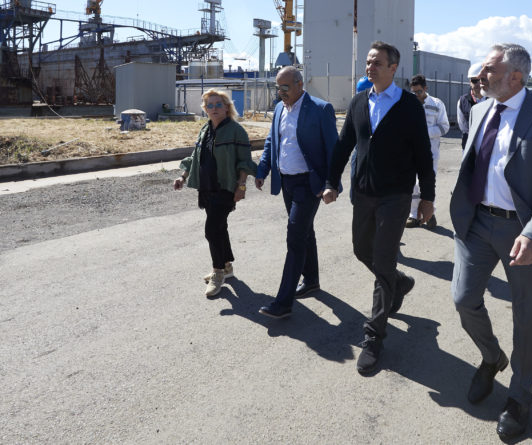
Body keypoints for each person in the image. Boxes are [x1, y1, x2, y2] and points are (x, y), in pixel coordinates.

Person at [450, 43, 532, 440]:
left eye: (489, 69)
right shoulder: (479, 109)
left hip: (521, 230)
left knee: (526, 316)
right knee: (463, 299)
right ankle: (492, 357)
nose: (480, 75)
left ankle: (521, 396)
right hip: (476, 223)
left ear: (515, 77)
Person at [322, 41, 434, 375]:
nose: (370, 67)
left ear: (393, 68)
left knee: (383, 259)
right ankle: (398, 281)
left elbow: (423, 154)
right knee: (361, 250)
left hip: (395, 196)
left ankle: (374, 337)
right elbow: (344, 145)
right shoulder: (359, 101)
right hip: (364, 192)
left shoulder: (408, 105)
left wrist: (427, 198)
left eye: (377, 63)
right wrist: (331, 181)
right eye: (368, 62)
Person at [254, 66, 339, 318]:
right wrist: (263, 169)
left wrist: (331, 184)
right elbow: (272, 141)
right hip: (286, 182)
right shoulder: (279, 109)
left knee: (294, 238)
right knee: (305, 231)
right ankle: (311, 280)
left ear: (300, 84)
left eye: (285, 87)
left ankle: (283, 302)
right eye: (277, 87)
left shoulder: (320, 109)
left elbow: (334, 150)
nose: (280, 92)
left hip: (308, 183)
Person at [174, 89, 258, 297]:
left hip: (225, 188)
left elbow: (244, 161)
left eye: (218, 104)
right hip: (206, 187)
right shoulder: (205, 129)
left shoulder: (236, 130)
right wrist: (183, 177)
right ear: (205, 109)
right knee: (220, 228)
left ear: (227, 107)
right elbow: (195, 156)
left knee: (211, 230)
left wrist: (241, 186)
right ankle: (227, 266)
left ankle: (217, 272)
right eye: (209, 105)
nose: (214, 108)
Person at [406, 74, 449, 229]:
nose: (416, 95)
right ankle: (413, 215)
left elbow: (444, 127)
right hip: (411, 152)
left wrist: (425, 133)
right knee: (412, 184)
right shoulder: (408, 103)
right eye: (413, 92)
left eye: (419, 92)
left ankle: (430, 215)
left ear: (425, 88)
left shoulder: (437, 104)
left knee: (427, 183)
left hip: (430, 153)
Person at [457, 65, 486, 150]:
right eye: (474, 80)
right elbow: (463, 126)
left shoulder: (493, 99)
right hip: (469, 145)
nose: (478, 83)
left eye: (481, 79)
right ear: (470, 82)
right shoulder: (462, 101)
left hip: (488, 144)